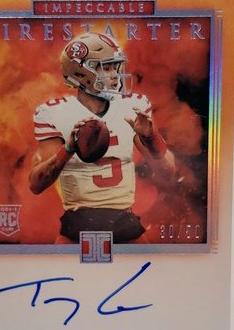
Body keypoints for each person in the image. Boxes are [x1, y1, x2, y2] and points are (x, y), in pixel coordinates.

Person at [29, 32, 175, 243]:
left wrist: (152, 138)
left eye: (116, 67)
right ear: (80, 73)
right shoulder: (55, 113)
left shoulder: (132, 107)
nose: (115, 75)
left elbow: (168, 174)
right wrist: (68, 149)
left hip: (125, 223)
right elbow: (36, 185)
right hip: (75, 229)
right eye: (106, 68)